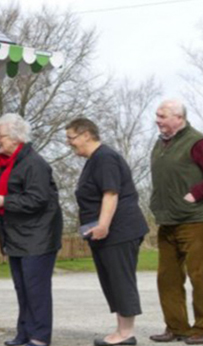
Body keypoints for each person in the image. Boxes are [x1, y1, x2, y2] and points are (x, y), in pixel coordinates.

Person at [0, 113, 62, 346]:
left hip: (37, 237)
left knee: (36, 290)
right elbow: (9, 186)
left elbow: (37, 199)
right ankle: (24, 333)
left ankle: (39, 337)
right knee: (22, 288)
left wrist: (4, 202)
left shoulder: (35, 164)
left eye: (1, 135)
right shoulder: (4, 162)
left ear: (17, 137)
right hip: (17, 236)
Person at [66, 118, 148, 346]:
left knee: (121, 280)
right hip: (108, 232)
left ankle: (126, 334)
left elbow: (111, 194)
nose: (69, 143)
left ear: (86, 134)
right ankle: (121, 331)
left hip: (119, 231)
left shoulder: (105, 158)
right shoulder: (94, 160)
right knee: (111, 281)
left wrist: (103, 225)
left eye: (71, 138)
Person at [149, 99, 203, 345]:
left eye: (162, 115)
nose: (157, 119)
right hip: (168, 221)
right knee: (167, 277)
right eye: (157, 115)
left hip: (197, 220)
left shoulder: (198, 143)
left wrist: (195, 194)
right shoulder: (161, 144)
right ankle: (176, 327)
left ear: (179, 117)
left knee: (201, 277)